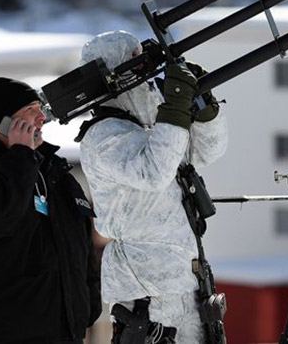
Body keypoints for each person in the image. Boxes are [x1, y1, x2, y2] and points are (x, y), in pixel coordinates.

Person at [77, 31, 228, 343]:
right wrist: (174, 110)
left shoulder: (149, 131)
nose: (146, 78)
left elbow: (204, 152)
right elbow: (154, 171)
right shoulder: (102, 137)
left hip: (186, 283)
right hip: (146, 294)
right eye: (134, 63)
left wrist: (203, 109)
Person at [0, 77, 101, 344]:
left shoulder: (54, 170)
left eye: (39, 108)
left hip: (67, 332)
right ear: (5, 121)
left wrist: (88, 305)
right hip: (8, 332)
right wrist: (20, 154)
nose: (41, 117)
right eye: (30, 110)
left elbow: (81, 243)